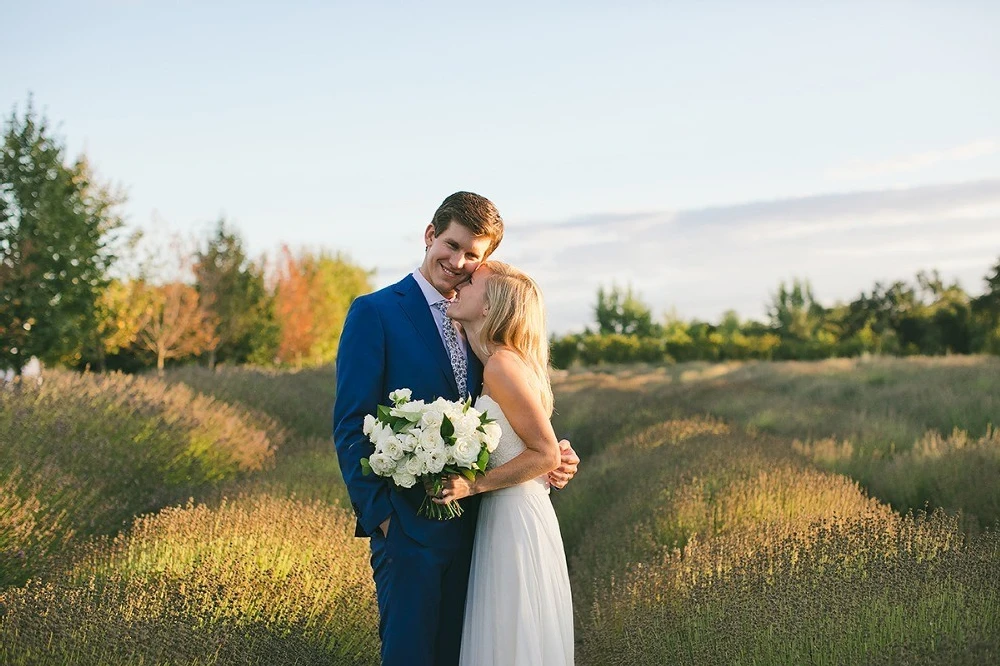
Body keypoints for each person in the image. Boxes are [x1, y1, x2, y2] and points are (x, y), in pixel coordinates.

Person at [333, 192, 580, 666]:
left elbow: (505, 412)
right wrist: (384, 520)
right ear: (429, 236)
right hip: (408, 529)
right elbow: (350, 424)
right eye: (451, 244)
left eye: (473, 254)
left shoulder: (480, 321)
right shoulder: (376, 313)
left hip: (482, 530)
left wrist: (551, 453)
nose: (458, 261)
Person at [434, 261, 574, 666]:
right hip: (506, 516)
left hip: (515, 521)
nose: (460, 283)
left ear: (489, 306)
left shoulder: (501, 365)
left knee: (512, 639)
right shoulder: (496, 362)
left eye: (471, 282)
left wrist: (472, 484)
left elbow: (544, 453)